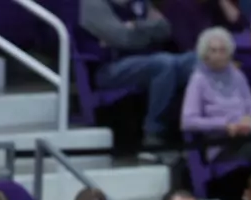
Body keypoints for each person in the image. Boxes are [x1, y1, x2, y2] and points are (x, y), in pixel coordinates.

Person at [80, 0, 195, 146]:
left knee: (195, 60)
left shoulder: (141, 3)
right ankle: (154, 133)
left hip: (148, 59)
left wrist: (136, 26)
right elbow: (123, 38)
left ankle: (198, 128)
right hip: (109, 67)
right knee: (163, 64)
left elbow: (165, 29)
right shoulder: (94, 4)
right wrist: (149, 32)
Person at [181, 28, 251, 146]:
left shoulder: (237, 75)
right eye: (213, 51)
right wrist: (224, 125)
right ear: (205, 54)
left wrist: (250, 119)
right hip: (221, 142)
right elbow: (188, 121)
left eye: (222, 50)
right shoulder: (198, 79)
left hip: (246, 135)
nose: (218, 55)